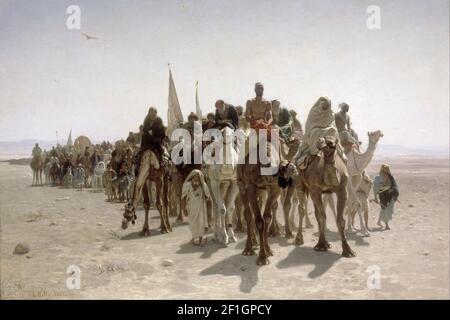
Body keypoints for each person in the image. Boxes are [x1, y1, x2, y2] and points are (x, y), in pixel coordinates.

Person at [181, 169, 211, 245]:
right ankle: (194, 238)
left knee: (201, 222)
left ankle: (201, 239)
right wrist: (184, 208)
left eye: (198, 176)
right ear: (192, 176)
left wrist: (205, 194)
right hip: (191, 207)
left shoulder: (203, 185)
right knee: (193, 224)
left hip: (201, 207)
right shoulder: (187, 185)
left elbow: (208, 196)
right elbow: (183, 197)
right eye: (195, 176)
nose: (197, 178)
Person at [373, 164, 399, 230]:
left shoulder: (391, 177)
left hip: (389, 196)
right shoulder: (378, 178)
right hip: (382, 195)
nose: (386, 171)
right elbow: (375, 188)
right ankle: (386, 225)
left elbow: (394, 186)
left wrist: (394, 194)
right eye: (385, 169)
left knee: (385, 209)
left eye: (387, 169)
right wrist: (375, 197)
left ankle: (378, 222)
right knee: (385, 209)